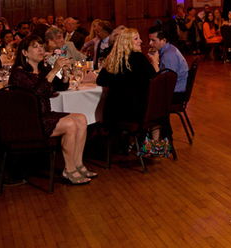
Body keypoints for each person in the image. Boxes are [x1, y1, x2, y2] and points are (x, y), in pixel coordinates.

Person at [9, 36, 94, 185]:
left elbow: (61, 87)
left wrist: (65, 72)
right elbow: (35, 94)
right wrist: (54, 70)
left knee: (81, 118)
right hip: (30, 120)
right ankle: (69, 169)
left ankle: (78, 164)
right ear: (24, 53)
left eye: (41, 46)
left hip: (44, 114)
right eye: (35, 47)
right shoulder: (19, 74)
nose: (40, 50)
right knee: (69, 125)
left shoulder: (43, 70)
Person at [97, 29, 156, 127]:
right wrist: (155, 62)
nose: (141, 41)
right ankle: (151, 140)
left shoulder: (113, 59)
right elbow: (154, 79)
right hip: (135, 111)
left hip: (113, 111)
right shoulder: (138, 58)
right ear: (127, 42)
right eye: (136, 38)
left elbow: (100, 80)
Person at [147, 26, 189, 104]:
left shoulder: (168, 56)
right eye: (150, 40)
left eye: (153, 40)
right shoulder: (168, 48)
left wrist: (154, 63)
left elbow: (165, 83)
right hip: (174, 91)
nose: (150, 43)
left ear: (163, 40)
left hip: (175, 95)